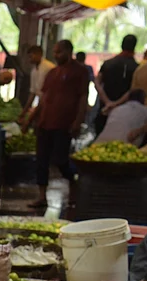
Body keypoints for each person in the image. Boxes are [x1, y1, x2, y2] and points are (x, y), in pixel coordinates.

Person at [24, 39, 88, 209]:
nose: (56, 55)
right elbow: (43, 98)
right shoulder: (52, 73)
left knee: (60, 159)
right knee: (42, 160)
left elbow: (83, 97)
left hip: (63, 123)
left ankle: (73, 184)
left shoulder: (79, 71)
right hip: (45, 122)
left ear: (68, 51)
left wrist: (78, 121)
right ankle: (42, 196)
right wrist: (30, 120)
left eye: (59, 52)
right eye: (55, 51)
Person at [96, 35, 139, 134]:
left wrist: (107, 102)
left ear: (121, 45)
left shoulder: (108, 63)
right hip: (124, 115)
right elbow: (133, 89)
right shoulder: (137, 68)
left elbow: (97, 82)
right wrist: (116, 104)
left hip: (104, 111)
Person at [20, 45, 54, 122]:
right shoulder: (34, 71)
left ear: (39, 54)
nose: (29, 59)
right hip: (41, 103)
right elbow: (33, 93)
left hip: (50, 103)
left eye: (31, 56)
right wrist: (24, 111)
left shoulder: (49, 67)